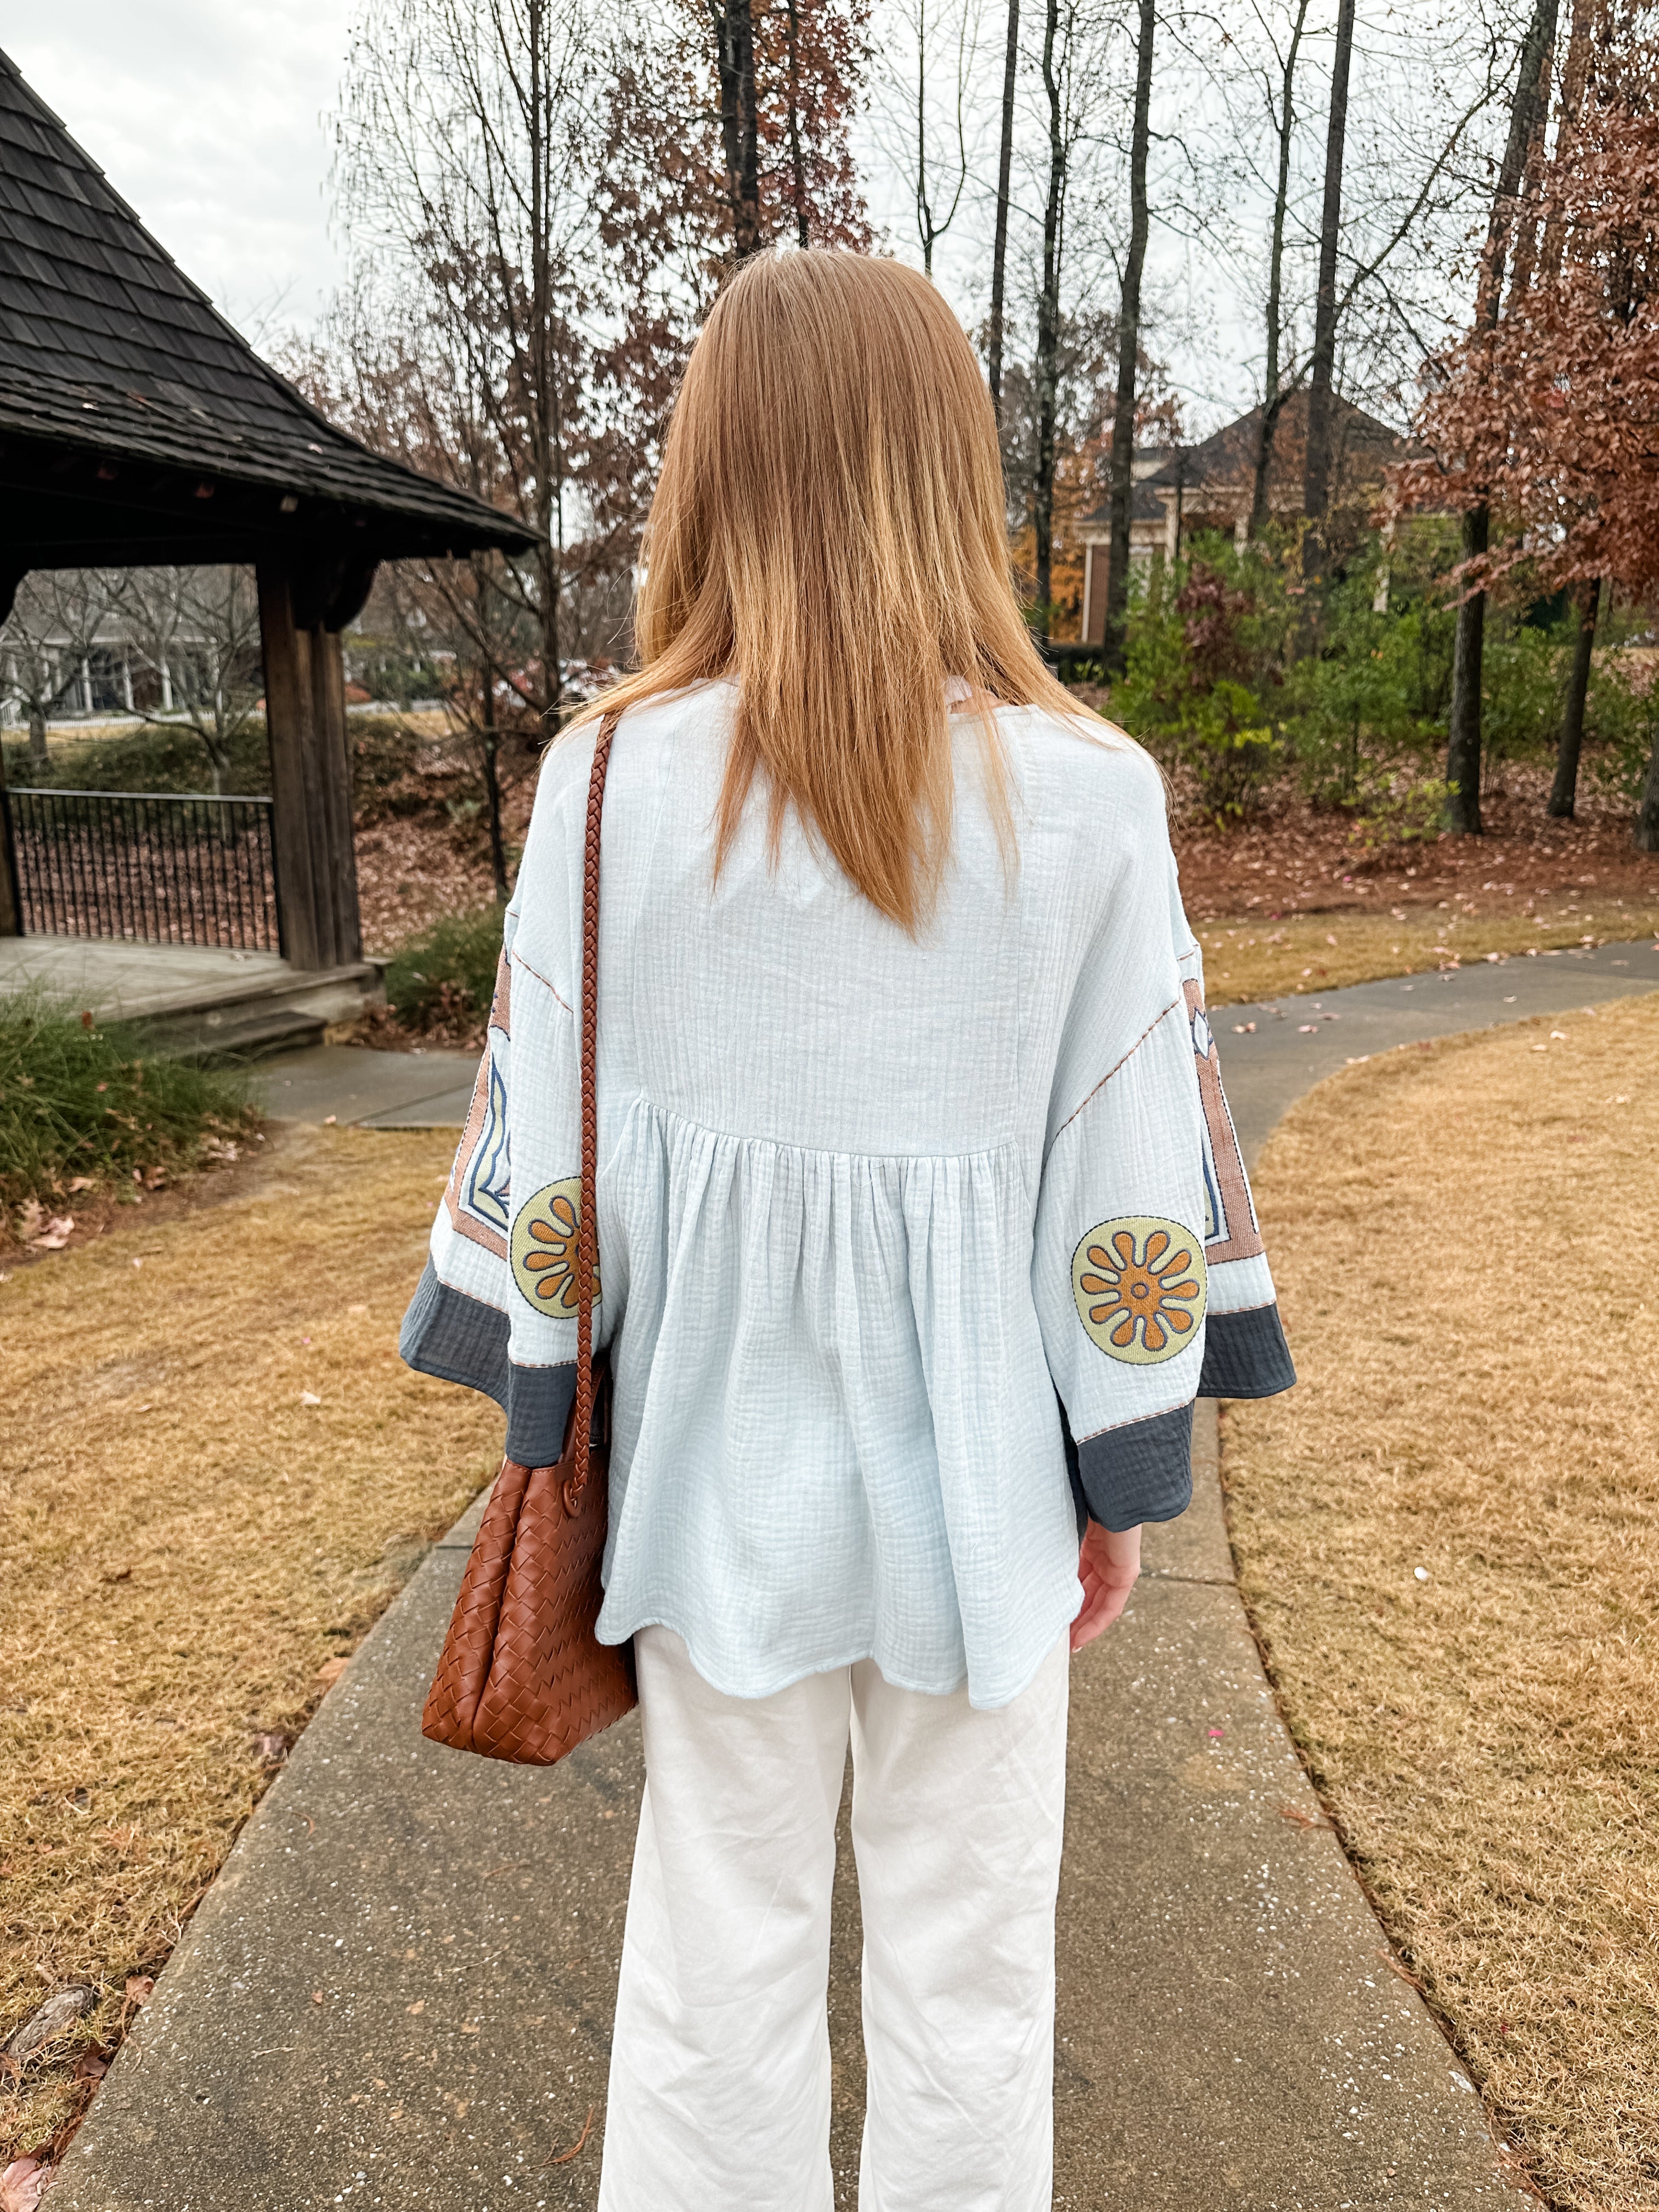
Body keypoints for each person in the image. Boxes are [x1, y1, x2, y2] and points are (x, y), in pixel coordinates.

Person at [400, 247, 1294, 2211]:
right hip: (987, 1501)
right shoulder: (1088, 801)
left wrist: (544, 1414)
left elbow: (548, 1167)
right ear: (946, 467)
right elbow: (1129, 1182)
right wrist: (1120, 1483)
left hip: (715, 1491)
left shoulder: (606, 781)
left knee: (713, 1962)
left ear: (711, 464)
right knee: (974, 1980)